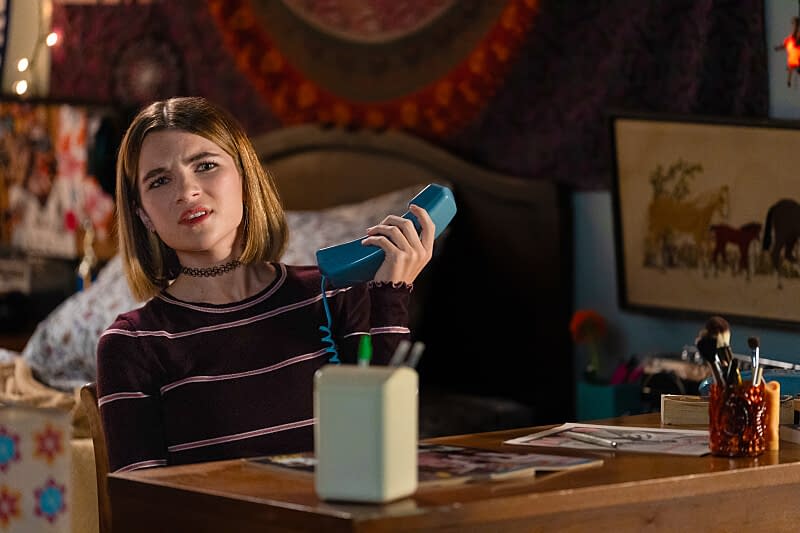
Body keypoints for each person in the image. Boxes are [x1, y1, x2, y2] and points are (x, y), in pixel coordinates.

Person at [96, 96, 435, 473]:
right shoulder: (132, 344)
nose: (187, 191)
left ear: (245, 176)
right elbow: (139, 501)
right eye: (160, 180)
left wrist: (391, 295)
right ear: (143, 214)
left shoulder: (333, 296)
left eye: (205, 165)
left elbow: (388, 444)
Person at [774, 16, 800, 87]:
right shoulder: (789, 40)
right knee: (795, 41)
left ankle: (796, 22)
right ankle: (796, 22)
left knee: (794, 41)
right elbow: (784, 46)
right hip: (793, 46)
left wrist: (788, 81)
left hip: (792, 46)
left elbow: (790, 72)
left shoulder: (792, 64)